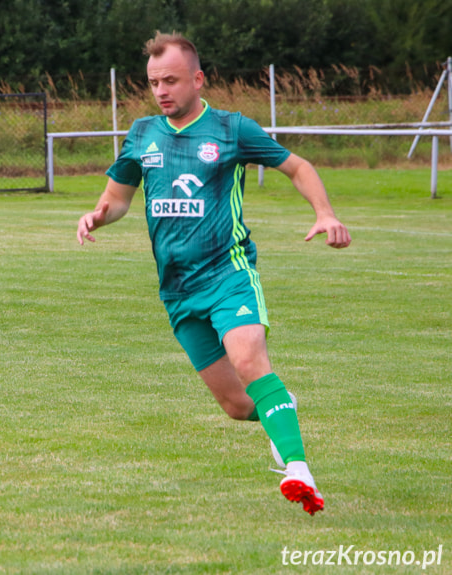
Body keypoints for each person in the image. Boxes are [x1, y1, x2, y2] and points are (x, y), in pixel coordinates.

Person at [76, 32, 351, 516]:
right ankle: (276, 411)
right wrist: (98, 215)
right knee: (239, 405)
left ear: (198, 79)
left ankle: (299, 470)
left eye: (172, 81)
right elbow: (118, 197)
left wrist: (324, 212)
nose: (161, 90)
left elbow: (298, 166)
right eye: (154, 82)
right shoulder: (142, 133)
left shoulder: (230, 129)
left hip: (228, 272)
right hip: (177, 291)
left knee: (250, 360)